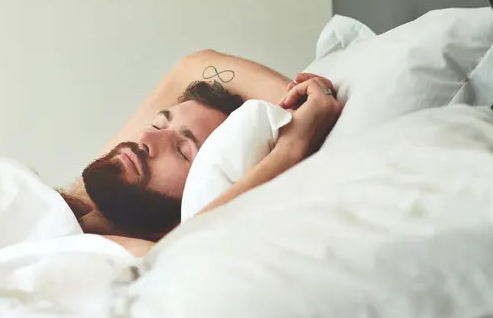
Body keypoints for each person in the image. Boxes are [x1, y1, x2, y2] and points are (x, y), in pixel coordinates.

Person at [60, 49, 344, 255]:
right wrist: (295, 99)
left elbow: (183, 255)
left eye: (182, 150)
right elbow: (193, 67)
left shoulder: (134, 257)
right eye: (159, 124)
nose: (146, 138)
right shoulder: (78, 201)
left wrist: (292, 143)